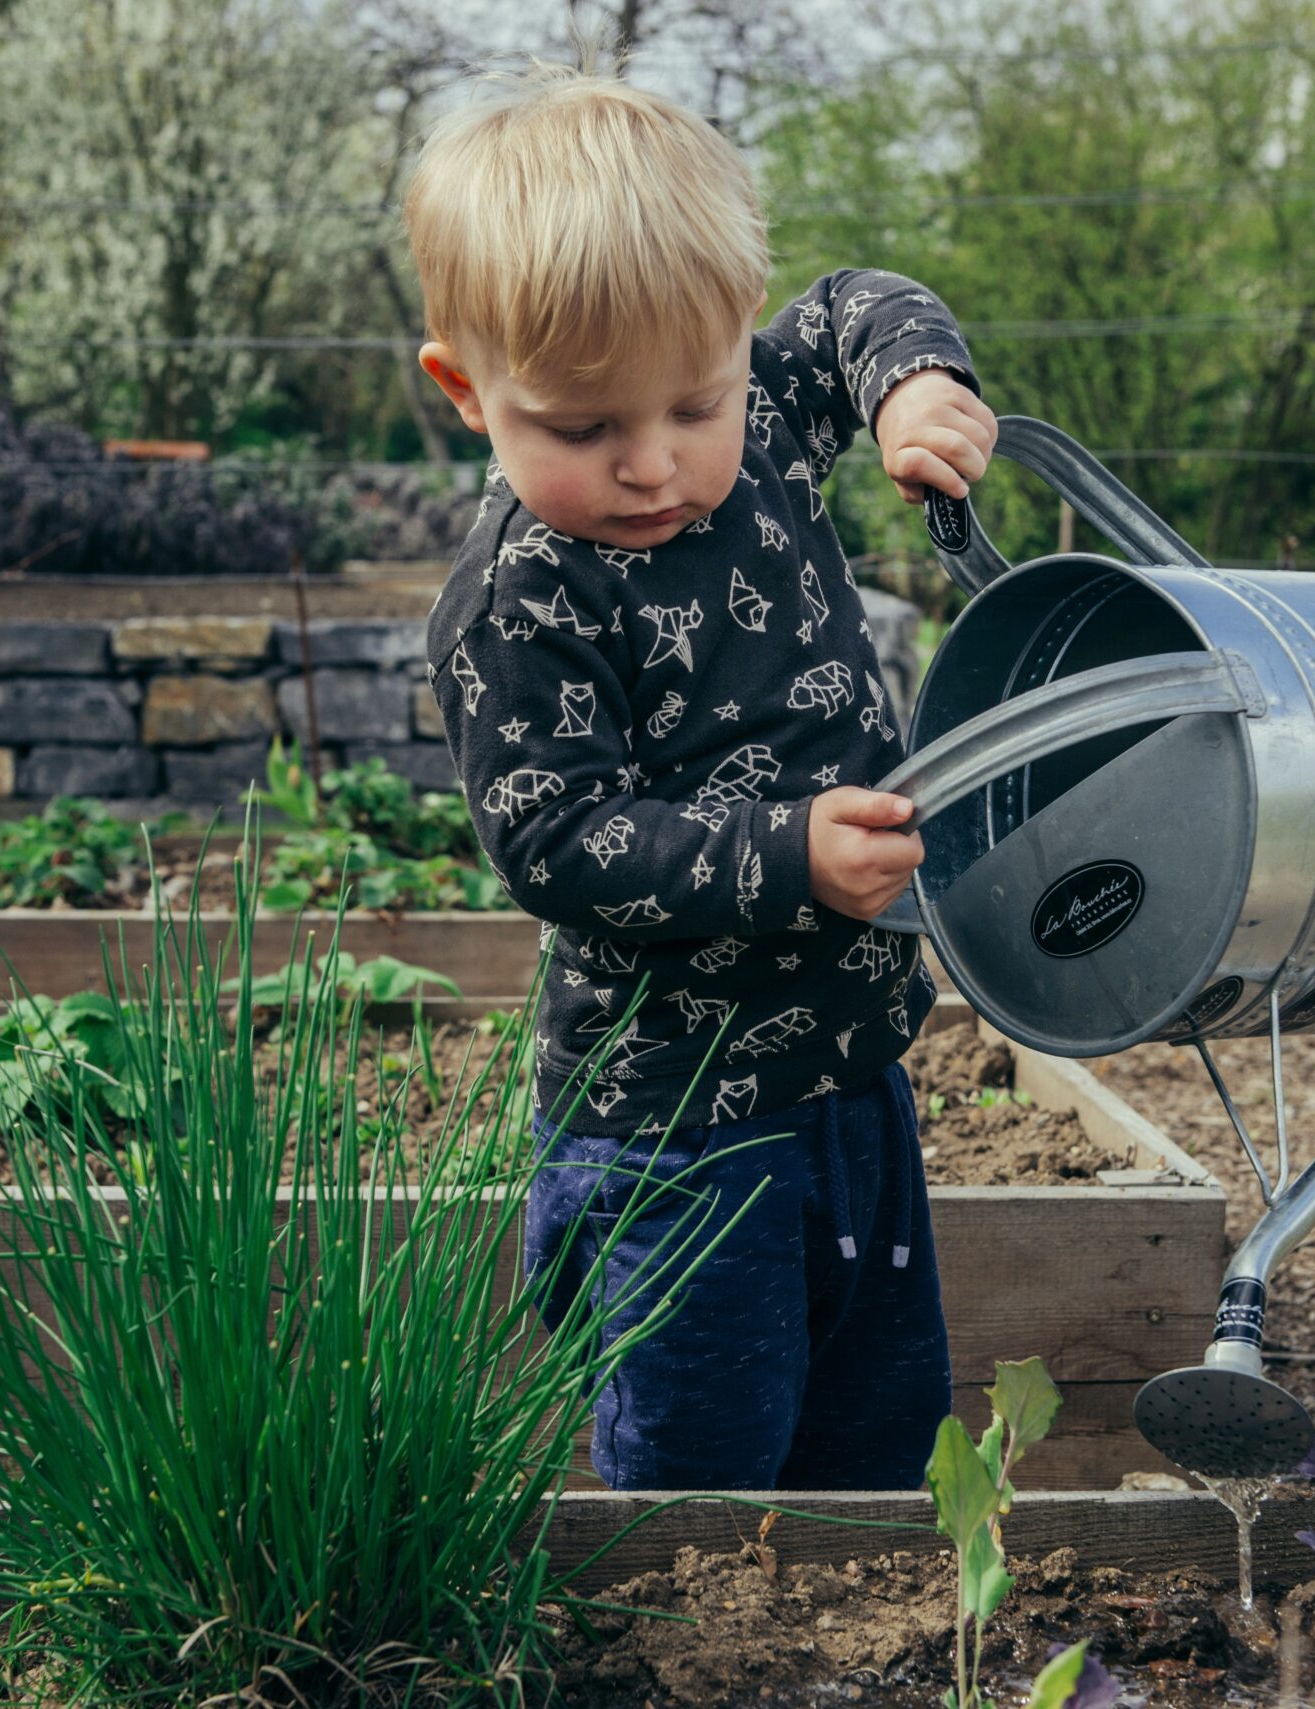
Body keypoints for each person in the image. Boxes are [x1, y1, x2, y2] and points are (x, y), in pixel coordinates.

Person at [409, 62, 998, 1490]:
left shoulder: (774, 418)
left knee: (877, 1433)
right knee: (705, 1473)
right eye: (579, 427)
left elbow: (858, 300)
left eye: (695, 401)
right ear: (463, 388)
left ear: (738, 342)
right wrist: (786, 852)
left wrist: (917, 383)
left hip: (855, 1076)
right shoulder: (519, 600)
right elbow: (557, 838)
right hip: (675, 1131)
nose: (654, 464)